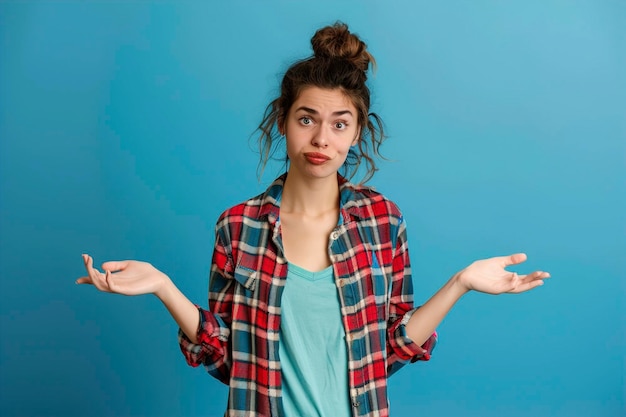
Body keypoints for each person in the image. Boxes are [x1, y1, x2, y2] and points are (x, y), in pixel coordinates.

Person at [77, 22, 550, 417]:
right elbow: (224, 359)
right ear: (283, 120)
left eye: (339, 123)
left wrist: (461, 283)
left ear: (357, 132)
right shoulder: (238, 227)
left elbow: (389, 351)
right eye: (307, 119)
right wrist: (162, 286)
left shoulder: (382, 221)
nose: (322, 138)